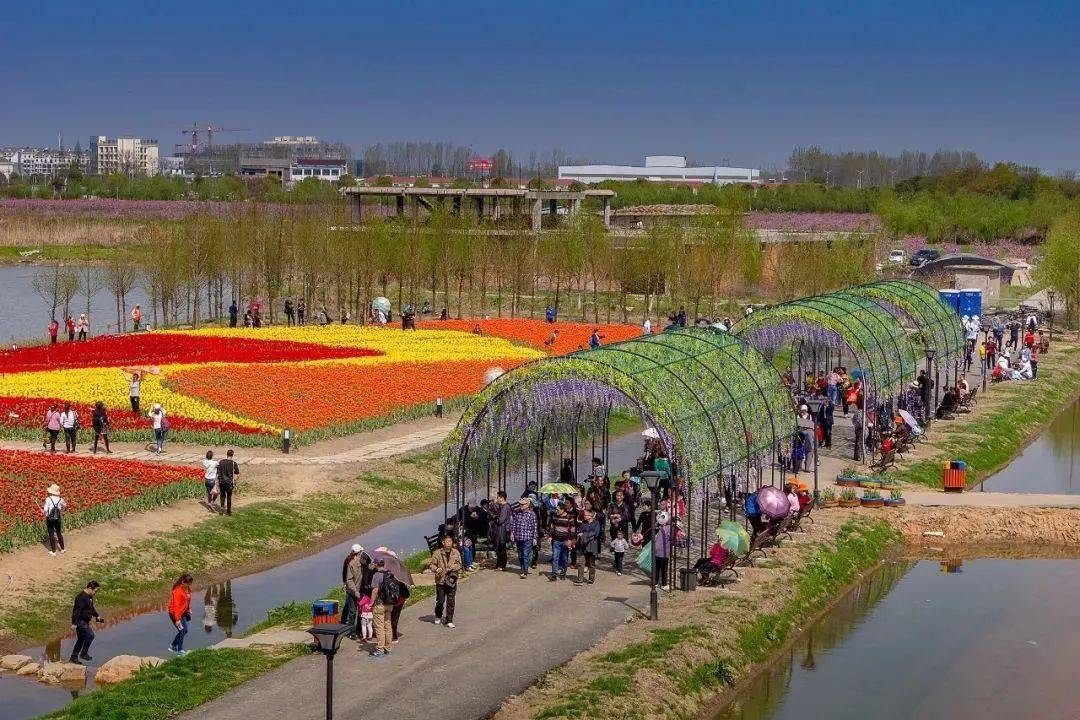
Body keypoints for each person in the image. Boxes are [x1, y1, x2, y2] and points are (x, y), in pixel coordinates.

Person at [428, 535, 462, 628]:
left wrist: (452, 568)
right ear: (443, 542)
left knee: (451, 600)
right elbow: (431, 565)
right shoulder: (437, 553)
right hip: (440, 581)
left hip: (451, 580)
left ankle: (449, 620)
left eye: (450, 542)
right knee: (440, 600)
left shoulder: (456, 552)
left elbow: (459, 565)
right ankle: (438, 615)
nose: (449, 543)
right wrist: (436, 569)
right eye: (447, 542)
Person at [70, 580, 104, 663]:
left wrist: (97, 616)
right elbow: (76, 611)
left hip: (85, 621)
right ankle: (83, 653)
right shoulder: (81, 597)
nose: (95, 593)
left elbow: (91, 608)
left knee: (81, 639)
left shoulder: (89, 596)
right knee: (90, 635)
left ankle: (73, 658)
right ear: (89, 588)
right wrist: (74, 623)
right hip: (81, 621)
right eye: (95, 591)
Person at [368, 559, 396, 657]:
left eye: (374, 563)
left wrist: (371, 603)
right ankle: (388, 648)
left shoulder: (376, 575)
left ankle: (380, 650)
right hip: (389, 604)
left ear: (376, 564)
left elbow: (375, 590)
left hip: (379, 605)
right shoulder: (390, 573)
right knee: (388, 626)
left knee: (379, 628)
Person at [510, 497, 538, 578]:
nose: (521, 505)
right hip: (518, 537)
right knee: (520, 555)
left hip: (528, 538)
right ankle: (523, 567)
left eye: (523, 504)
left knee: (525, 555)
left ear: (528, 505)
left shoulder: (532, 514)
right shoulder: (517, 512)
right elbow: (514, 524)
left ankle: (524, 571)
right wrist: (512, 533)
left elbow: (534, 527)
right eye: (520, 504)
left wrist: (534, 538)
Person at [548, 501, 576, 581]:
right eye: (556, 509)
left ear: (563, 509)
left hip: (565, 542)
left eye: (558, 509)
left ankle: (563, 573)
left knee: (564, 558)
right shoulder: (554, 516)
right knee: (555, 558)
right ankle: (554, 574)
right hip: (556, 541)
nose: (556, 511)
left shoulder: (569, 517)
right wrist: (550, 536)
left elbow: (573, 530)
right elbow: (552, 527)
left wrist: (570, 540)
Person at [168, 574, 193, 656]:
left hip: (183, 612)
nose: (189, 585)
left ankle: (173, 646)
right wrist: (177, 619)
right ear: (183, 582)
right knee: (182, 630)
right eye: (188, 584)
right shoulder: (177, 591)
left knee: (185, 630)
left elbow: (187, 600)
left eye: (190, 584)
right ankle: (180, 651)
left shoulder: (187, 589)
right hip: (175, 613)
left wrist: (188, 609)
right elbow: (176, 606)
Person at [575, 510, 602, 584]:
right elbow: (580, 532)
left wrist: (584, 535)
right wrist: (586, 535)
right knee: (581, 563)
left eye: (586, 515)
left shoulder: (597, 523)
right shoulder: (583, 523)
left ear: (591, 516)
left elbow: (596, 533)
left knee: (591, 564)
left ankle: (591, 579)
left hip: (592, 546)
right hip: (583, 545)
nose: (584, 516)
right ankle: (580, 579)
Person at [490, 490, 512, 570]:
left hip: (502, 530)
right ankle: (498, 564)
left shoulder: (505, 507)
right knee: (499, 548)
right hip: (499, 529)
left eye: (498, 497)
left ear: (502, 498)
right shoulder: (501, 506)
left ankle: (502, 565)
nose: (497, 499)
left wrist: (495, 518)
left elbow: (501, 520)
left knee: (502, 548)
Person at [43, 483, 67, 555]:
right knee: (59, 532)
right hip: (58, 518)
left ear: (50, 492)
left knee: (51, 533)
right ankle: (62, 549)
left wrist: (43, 511)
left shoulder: (48, 499)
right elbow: (65, 505)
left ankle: (53, 551)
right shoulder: (60, 499)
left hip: (50, 518)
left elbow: (45, 510)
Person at [217, 449, 239, 515]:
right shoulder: (233, 463)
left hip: (222, 482)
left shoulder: (221, 462)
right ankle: (228, 511)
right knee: (229, 497)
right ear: (232, 455)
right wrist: (235, 482)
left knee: (222, 496)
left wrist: (219, 480)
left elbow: (218, 473)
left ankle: (221, 509)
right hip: (229, 483)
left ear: (227, 454)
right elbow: (237, 474)